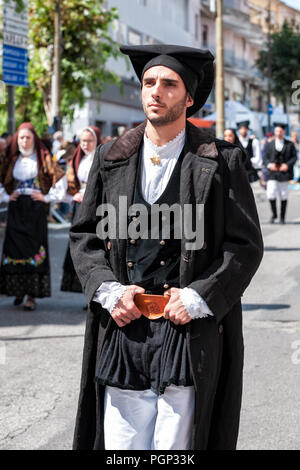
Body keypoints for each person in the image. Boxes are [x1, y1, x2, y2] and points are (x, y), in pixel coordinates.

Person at [70, 44, 263, 450]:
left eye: (169, 84)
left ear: (189, 97)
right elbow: (84, 235)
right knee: (122, 448)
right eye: (148, 83)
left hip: (186, 330)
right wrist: (109, 290)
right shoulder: (111, 156)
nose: (155, 91)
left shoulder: (221, 160)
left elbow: (244, 245)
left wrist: (199, 295)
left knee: (177, 449)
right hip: (126, 326)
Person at [0, 122, 67, 310]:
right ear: (17, 140)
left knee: (33, 249)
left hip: (35, 210)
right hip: (16, 208)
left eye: (28, 137)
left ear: (34, 139)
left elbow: (60, 179)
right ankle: (18, 289)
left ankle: (31, 296)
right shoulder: (11, 159)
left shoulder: (43, 158)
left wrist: (46, 197)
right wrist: (6, 195)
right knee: (14, 249)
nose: (24, 140)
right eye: (21, 137)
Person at [60, 127, 102, 294]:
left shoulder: (103, 158)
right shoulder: (78, 160)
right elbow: (69, 185)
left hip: (96, 207)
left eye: (89, 141)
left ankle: (97, 289)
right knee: (79, 245)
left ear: (96, 141)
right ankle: (83, 287)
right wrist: (73, 195)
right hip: (80, 207)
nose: (85, 144)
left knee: (94, 246)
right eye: (82, 141)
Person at [264, 123, 297, 224]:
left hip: (284, 172)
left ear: (284, 132)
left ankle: (282, 217)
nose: (278, 133)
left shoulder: (289, 144)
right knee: (271, 193)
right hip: (272, 172)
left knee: (284, 194)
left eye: (280, 131)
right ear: (274, 132)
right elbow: (265, 158)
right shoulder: (269, 144)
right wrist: (270, 165)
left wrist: (287, 165)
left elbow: (294, 157)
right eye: (276, 131)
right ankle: (274, 214)